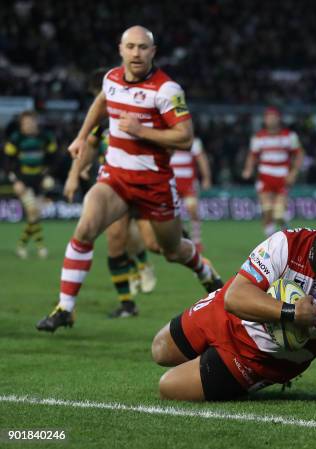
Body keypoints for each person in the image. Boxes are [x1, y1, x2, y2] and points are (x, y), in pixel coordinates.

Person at [36, 26, 223, 332]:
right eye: (131, 47)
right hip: (115, 178)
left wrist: (141, 131)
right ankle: (65, 308)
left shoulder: (167, 90)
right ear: (121, 49)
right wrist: (81, 137)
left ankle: (205, 272)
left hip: (154, 184)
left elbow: (185, 138)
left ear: (153, 52)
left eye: (143, 47)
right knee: (85, 230)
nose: (136, 53)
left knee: (169, 249)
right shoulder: (111, 79)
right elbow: (101, 102)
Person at [151, 208, 316, 417]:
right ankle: (206, 360)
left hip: (255, 358)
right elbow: (234, 297)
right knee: (160, 350)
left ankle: (228, 376)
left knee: (169, 387)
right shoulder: (287, 243)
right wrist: (292, 312)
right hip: (224, 313)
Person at [63, 67, 158, 318]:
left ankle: (144, 261)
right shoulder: (102, 122)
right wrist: (75, 174)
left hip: (144, 181)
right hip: (114, 183)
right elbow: (89, 147)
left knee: (150, 239)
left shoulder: (137, 113)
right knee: (115, 239)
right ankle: (128, 304)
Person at [242, 107, 304, 237]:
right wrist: (248, 169)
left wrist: (294, 173)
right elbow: (252, 155)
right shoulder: (258, 137)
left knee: (279, 214)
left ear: (278, 118)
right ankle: (270, 243)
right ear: (264, 120)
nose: (270, 120)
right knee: (267, 210)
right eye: (268, 117)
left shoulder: (289, 136)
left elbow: (299, 154)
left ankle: (286, 231)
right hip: (264, 178)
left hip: (283, 178)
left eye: (273, 117)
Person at [4, 111, 58, 259]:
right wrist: (15, 181)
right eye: (25, 123)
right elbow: (7, 162)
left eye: (31, 122)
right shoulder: (16, 138)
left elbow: (53, 158)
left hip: (39, 181)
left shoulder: (45, 137)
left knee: (34, 216)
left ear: (36, 122)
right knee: (33, 212)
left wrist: (48, 175)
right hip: (23, 181)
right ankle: (41, 248)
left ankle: (21, 246)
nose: (28, 125)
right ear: (21, 124)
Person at [170, 134, 212, 254]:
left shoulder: (193, 141)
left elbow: (201, 159)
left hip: (188, 182)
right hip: (171, 182)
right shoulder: (167, 138)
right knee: (174, 214)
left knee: (192, 210)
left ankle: (197, 241)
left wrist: (206, 177)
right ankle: (181, 240)